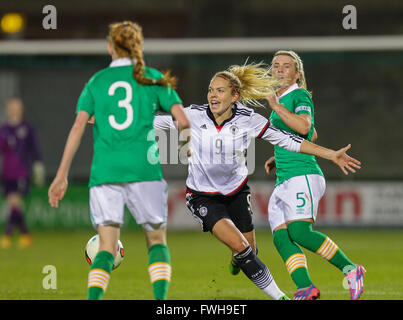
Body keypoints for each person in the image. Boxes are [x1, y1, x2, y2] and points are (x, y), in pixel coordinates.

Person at [154, 62, 361, 300]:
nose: (213, 94)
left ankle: (237, 258)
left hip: (237, 192)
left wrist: (330, 154)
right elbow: (153, 121)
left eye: (220, 90)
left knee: (249, 249)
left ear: (235, 96)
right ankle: (281, 297)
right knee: (244, 250)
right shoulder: (193, 115)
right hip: (203, 196)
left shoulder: (249, 119)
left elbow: (290, 140)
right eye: (211, 89)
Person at [48, 21, 190, 300]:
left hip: (105, 172)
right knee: (156, 241)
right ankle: (160, 302)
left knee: (106, 247)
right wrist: (187, 149)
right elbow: (183, 120)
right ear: (139, 46)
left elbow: (78, 127)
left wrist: (61, 175)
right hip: (144, 171)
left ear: (110, 47)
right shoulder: (151, 77)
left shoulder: (97, 82)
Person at [264, 50, 366, 300]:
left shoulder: (298, 95)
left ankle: (352, 269)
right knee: (281, 238)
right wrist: (278, 153)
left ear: (297, 74)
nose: (278, 70)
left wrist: (276, 107)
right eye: (275, 65)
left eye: (286, 66)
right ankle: (306, 287)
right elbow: (312, 135)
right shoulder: (283, 98)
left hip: (303, 175)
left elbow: (305, 127)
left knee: (299, 232)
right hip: (284, 177)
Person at [0, 97, 45, 249]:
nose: (14, 109)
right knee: (13, 205)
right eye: (11, 107)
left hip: (21, 172)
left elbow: (35, 148)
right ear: (7, 109)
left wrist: (38, 166)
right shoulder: (4, 129)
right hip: (6, 173)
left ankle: (7, 235)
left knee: (14, 202)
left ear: (21, 109)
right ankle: (26, 234)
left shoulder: (27, 128)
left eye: (17, 107)